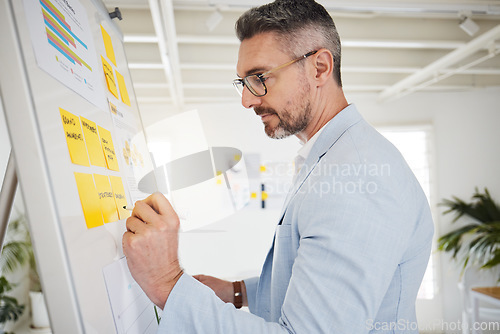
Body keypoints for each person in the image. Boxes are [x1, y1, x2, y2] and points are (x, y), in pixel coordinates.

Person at [122, 0, 434, 332]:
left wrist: (167, 283)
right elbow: (316, 284)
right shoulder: (336, 158)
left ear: (319, 69)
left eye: (259, 77)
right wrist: (236, 292)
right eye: (243, 82)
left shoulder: (355, 176)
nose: (247, 99)